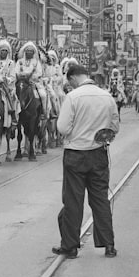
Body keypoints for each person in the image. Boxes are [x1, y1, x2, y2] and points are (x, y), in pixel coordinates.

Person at [53, 64, 120, 259]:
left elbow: (63, 128)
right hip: (98, 153)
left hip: (75, 153)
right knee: (100, 199)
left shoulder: (73, 97)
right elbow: (114, 126)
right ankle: (109, 244)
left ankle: (70, 246)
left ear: (73, 78)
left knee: (73, 200)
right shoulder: (107, 96)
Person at [0, 39, 18, 125]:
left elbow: (13, 76)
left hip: (6, 85)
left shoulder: (11, 63)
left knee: (12, 97)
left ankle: (12, 114)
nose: (4, 53)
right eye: (2, 51)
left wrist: (6, 79)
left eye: (6, 51)